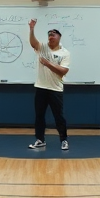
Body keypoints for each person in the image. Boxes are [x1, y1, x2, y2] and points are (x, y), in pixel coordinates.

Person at [27, 18, 71, 150]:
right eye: (49, 34)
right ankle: (40, 140)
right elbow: (33, 43)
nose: (50, 36)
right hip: (41, 87)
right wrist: (31, 29)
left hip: (55, 89)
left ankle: (64, 140)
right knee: (39, 116)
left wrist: (47, 63)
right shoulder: (43, 47)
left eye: (53, 34)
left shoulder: (65, 53)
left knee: (59, 117)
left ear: (59, 37)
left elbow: (63, 71)